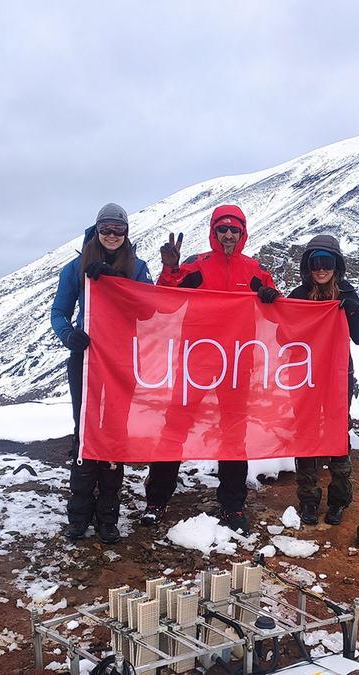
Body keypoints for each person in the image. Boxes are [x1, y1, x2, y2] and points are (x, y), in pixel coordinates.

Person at [140, 204, 280, 533]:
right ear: (213, 232)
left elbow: (277, 308)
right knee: (175, 426)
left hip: (236, 362)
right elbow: (167, 298)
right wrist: (169, 268)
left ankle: (233, 505)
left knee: (234, 433)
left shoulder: (254, 270)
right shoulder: (197, 265)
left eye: (234, 229)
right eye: (222, 229)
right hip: (198, 359)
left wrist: (272, 297)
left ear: (243, 233)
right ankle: (156, 500)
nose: (228, 235)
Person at [50, 203, 153, 544]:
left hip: (123, 361)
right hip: (87, 360)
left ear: (126, 233)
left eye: (117, 230)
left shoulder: (137, 268)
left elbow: (150, 308)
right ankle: (79, 516)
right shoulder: (75, 268)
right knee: (86, 433)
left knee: (114, 435)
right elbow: (59, 313)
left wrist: (120, 283)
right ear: (96, 230)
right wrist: (69, 336)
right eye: (105, 229)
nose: (111, 235)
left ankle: (108, 517)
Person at [286, 235, 359, 526]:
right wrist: (274, 307)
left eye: (327, 263)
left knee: (337, 434)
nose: (321, 269)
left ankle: (338, 500)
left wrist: (354, 310)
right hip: (305, 377)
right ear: (307, 267)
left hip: (337, 376)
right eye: (315, 263)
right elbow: (282, 337)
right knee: (306, 434)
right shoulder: (297, 295)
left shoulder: (347, 293)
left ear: (338, 265)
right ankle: (308, 500)